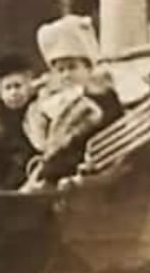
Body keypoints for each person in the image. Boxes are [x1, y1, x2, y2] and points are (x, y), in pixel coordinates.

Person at [22, 15, 124, 190]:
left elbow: (86, 142)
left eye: (72, 67)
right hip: (59, 167)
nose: (66, 75)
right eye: (60, 70)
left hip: (86, 169)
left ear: (89, 68)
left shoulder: (100, 99)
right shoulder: (57, 100)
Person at [0, 50, 38, 191]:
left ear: (29, 84)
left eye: (18, 86)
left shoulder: (38, 112)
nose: (13, 93)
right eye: (8, 88)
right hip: (3, 184)